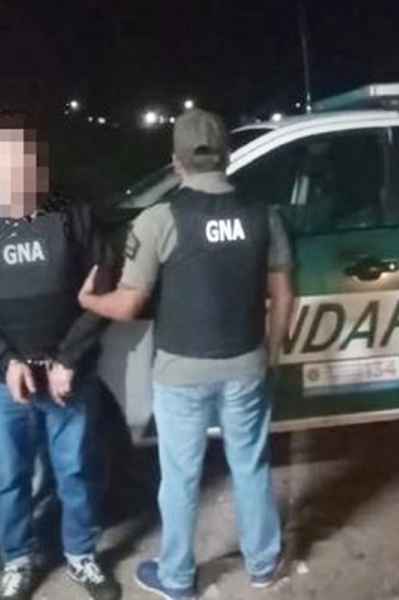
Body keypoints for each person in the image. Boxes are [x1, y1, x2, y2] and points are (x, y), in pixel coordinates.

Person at [78, 109, 295, 599]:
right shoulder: (265, 214)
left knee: (180, 476)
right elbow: (283, 295)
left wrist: (88, 300)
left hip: (181, 373)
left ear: (176, 163)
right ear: (228, 156)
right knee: (251, 465)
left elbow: (130, 303)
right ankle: (263, 564)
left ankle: (177, 577)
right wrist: (273, 351)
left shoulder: (160, 218)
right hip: (246, 365)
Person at [0, 113, 121, 600]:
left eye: (30, 176)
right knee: (11, 477)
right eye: (10, 178)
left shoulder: (74, 215)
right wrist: (2, 361)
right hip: (4, 383)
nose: (21, 190)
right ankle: (18, 561)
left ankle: (82, 555)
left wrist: (70, 358)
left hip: (68, 378)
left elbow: (105, 291)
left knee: (77, 472)